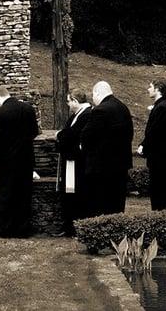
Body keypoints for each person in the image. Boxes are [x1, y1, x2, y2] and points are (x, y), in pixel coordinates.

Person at [0, 85, 39, 238]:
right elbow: (35, 132)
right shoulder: (28, 109)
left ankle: (6, 229)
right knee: (24, 194)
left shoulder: (0, 113)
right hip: (26, 158)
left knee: (6, 194)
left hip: (7, 160)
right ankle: (23, 229)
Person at [80, 81, 133, 216]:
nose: (93, 99)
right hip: (120, 164)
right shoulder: (123, 108)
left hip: (101, 166)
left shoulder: (100, 110)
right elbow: (130, 134)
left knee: (99, 203)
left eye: (93, 95)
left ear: (97, 93)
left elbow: (87, 135)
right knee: (116, 203)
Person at [56, 88, 92, 235]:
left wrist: (62, 137)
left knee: (76, 193)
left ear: (76, 101)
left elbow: (70, 135)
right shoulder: (77, 115)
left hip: (77, 161)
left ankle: (75, 226)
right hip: (71, 159)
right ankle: (69, 226)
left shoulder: (86, 115)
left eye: (69, 101)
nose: (68, 104)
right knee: (70, 193)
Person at [137, 79, 166, 211]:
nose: (148, 89)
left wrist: (144, 146)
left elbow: (155, 132)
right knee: (158, 192)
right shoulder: (162, 106)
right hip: (160, 157)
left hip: (160, 158)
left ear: (158, 89)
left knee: (160, 192)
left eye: (151, 86)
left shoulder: (162, 107)